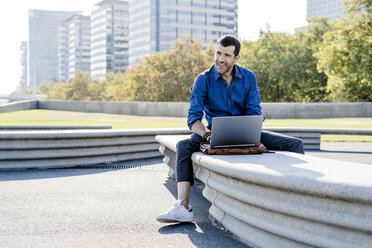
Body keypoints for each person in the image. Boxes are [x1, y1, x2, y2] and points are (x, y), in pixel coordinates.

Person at [156, 35, 304, 223]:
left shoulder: (248, 77)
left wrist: (250, 129)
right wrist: (207, 135)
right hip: (212, 134)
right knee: (184, 146)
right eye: (218, 53)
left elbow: (254, 110)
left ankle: (297, 206)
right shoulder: (203, 79)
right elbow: (193, 119)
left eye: (226, 55)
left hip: (246, 131)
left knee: (295, 144)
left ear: (236, 58)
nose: (220, 59)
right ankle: (183, 207)